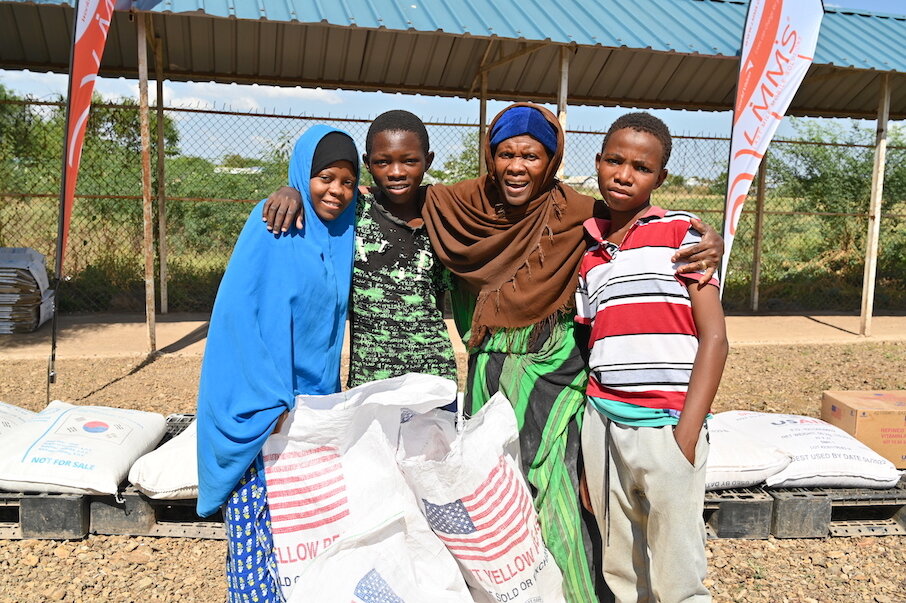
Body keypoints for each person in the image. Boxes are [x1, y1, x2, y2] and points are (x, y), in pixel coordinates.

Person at [419, 103, 723, 602]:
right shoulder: (459, 208)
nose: (517, 167)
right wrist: (296, 192)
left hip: (560, 376)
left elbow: (659, 236)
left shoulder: (584, 216)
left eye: (532, 156)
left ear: (553, 160)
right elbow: (391, 189)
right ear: (490, 157)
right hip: (493, 374)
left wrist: (712, 238)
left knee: (564, 492)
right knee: (498, 489)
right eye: (505, 154)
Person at [195, 125, 359, 603]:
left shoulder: (344, 230)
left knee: (302, 528)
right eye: (324, 177)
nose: (337, 191)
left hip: (314, 404)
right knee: (255, 525)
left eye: (348, 181)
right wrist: (274, 402)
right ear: (304, 174)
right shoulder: (273, 223)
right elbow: (240, 319)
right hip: (262, 403)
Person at [575, 112, 728, 602]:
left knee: (678, 569)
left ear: (660, 178)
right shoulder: (591, 255)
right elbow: (593, 345)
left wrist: (687, 433)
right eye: (614, 161)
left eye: (641, 168)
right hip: (604, 424)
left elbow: (715, 338)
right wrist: (590, 449)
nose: (624, 175)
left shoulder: (683, 236)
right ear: (597, 162)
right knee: (621, 563)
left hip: (668, 426)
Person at [263, 110, 458, 390]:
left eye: (409, 161)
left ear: (428, 160)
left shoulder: (440, 215)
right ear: (367, 163)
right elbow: (321, 192)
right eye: (382, 162)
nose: (396, 172)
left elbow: (438, 299)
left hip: (434, 375)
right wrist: (292, 191)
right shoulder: (353, 211)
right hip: (369, 380)